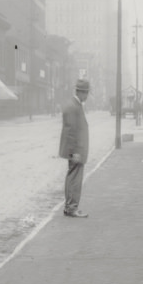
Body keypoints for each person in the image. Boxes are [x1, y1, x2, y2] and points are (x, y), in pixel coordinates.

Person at [59, 79, 91, 218]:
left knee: (71, 176)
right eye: (87, 93)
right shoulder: (74, 107)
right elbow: (72, 132)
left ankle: (69, 207)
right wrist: (75, 152)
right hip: (76, 151)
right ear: (81, 92)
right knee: (75, 178)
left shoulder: (73, 105)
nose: (87, 96)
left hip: (75, 150)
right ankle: (72, 207)